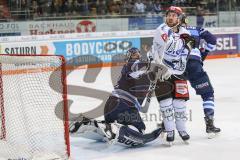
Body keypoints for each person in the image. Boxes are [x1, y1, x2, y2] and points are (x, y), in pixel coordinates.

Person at [69, 47, 169, 147]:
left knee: (112, 132)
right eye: (134, 54)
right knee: (140, 130)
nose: (137, 55)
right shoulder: (131, 65)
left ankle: (90, 124)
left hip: (111, 107)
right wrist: (153, 65)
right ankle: (114, 128)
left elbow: (144, 109)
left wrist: (153, 77)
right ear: (129, 57)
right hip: (123, 106)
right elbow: (139, 69)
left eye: (138, 54)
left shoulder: (146, 77)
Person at [148, 6, 195, 145]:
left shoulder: (185, 32)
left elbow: (190, 44)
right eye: (169, 15)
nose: (170, 17)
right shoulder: (161, 30)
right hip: (161, 71)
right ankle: (169, 131)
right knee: (166, 103)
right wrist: (160, 68)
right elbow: (157, 52)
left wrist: (184, 58)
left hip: (179, 72)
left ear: (179, 18)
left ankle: (182, 129)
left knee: (179, 103)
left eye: (174, 15)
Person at [180, 15, 221, 138]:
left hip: (176, 67)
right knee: (207, 93)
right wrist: (203, 53)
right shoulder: (196, 29)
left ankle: (166, 125)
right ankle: (209, 125)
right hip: (194, 64)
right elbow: (213, 40)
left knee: (174, 97)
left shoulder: (169, 31)